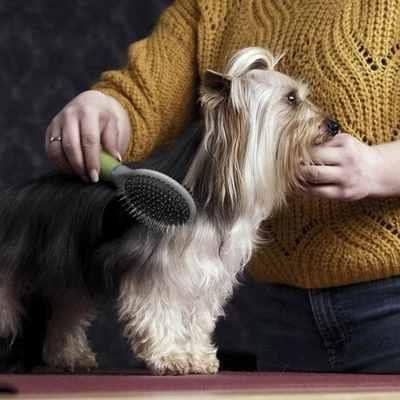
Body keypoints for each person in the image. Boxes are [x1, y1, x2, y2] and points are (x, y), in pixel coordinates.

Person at [45, 0, 400, 373]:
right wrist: (103, 108)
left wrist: (379, 167)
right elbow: (142, 96)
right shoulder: (214, 6)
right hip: (288, 315)